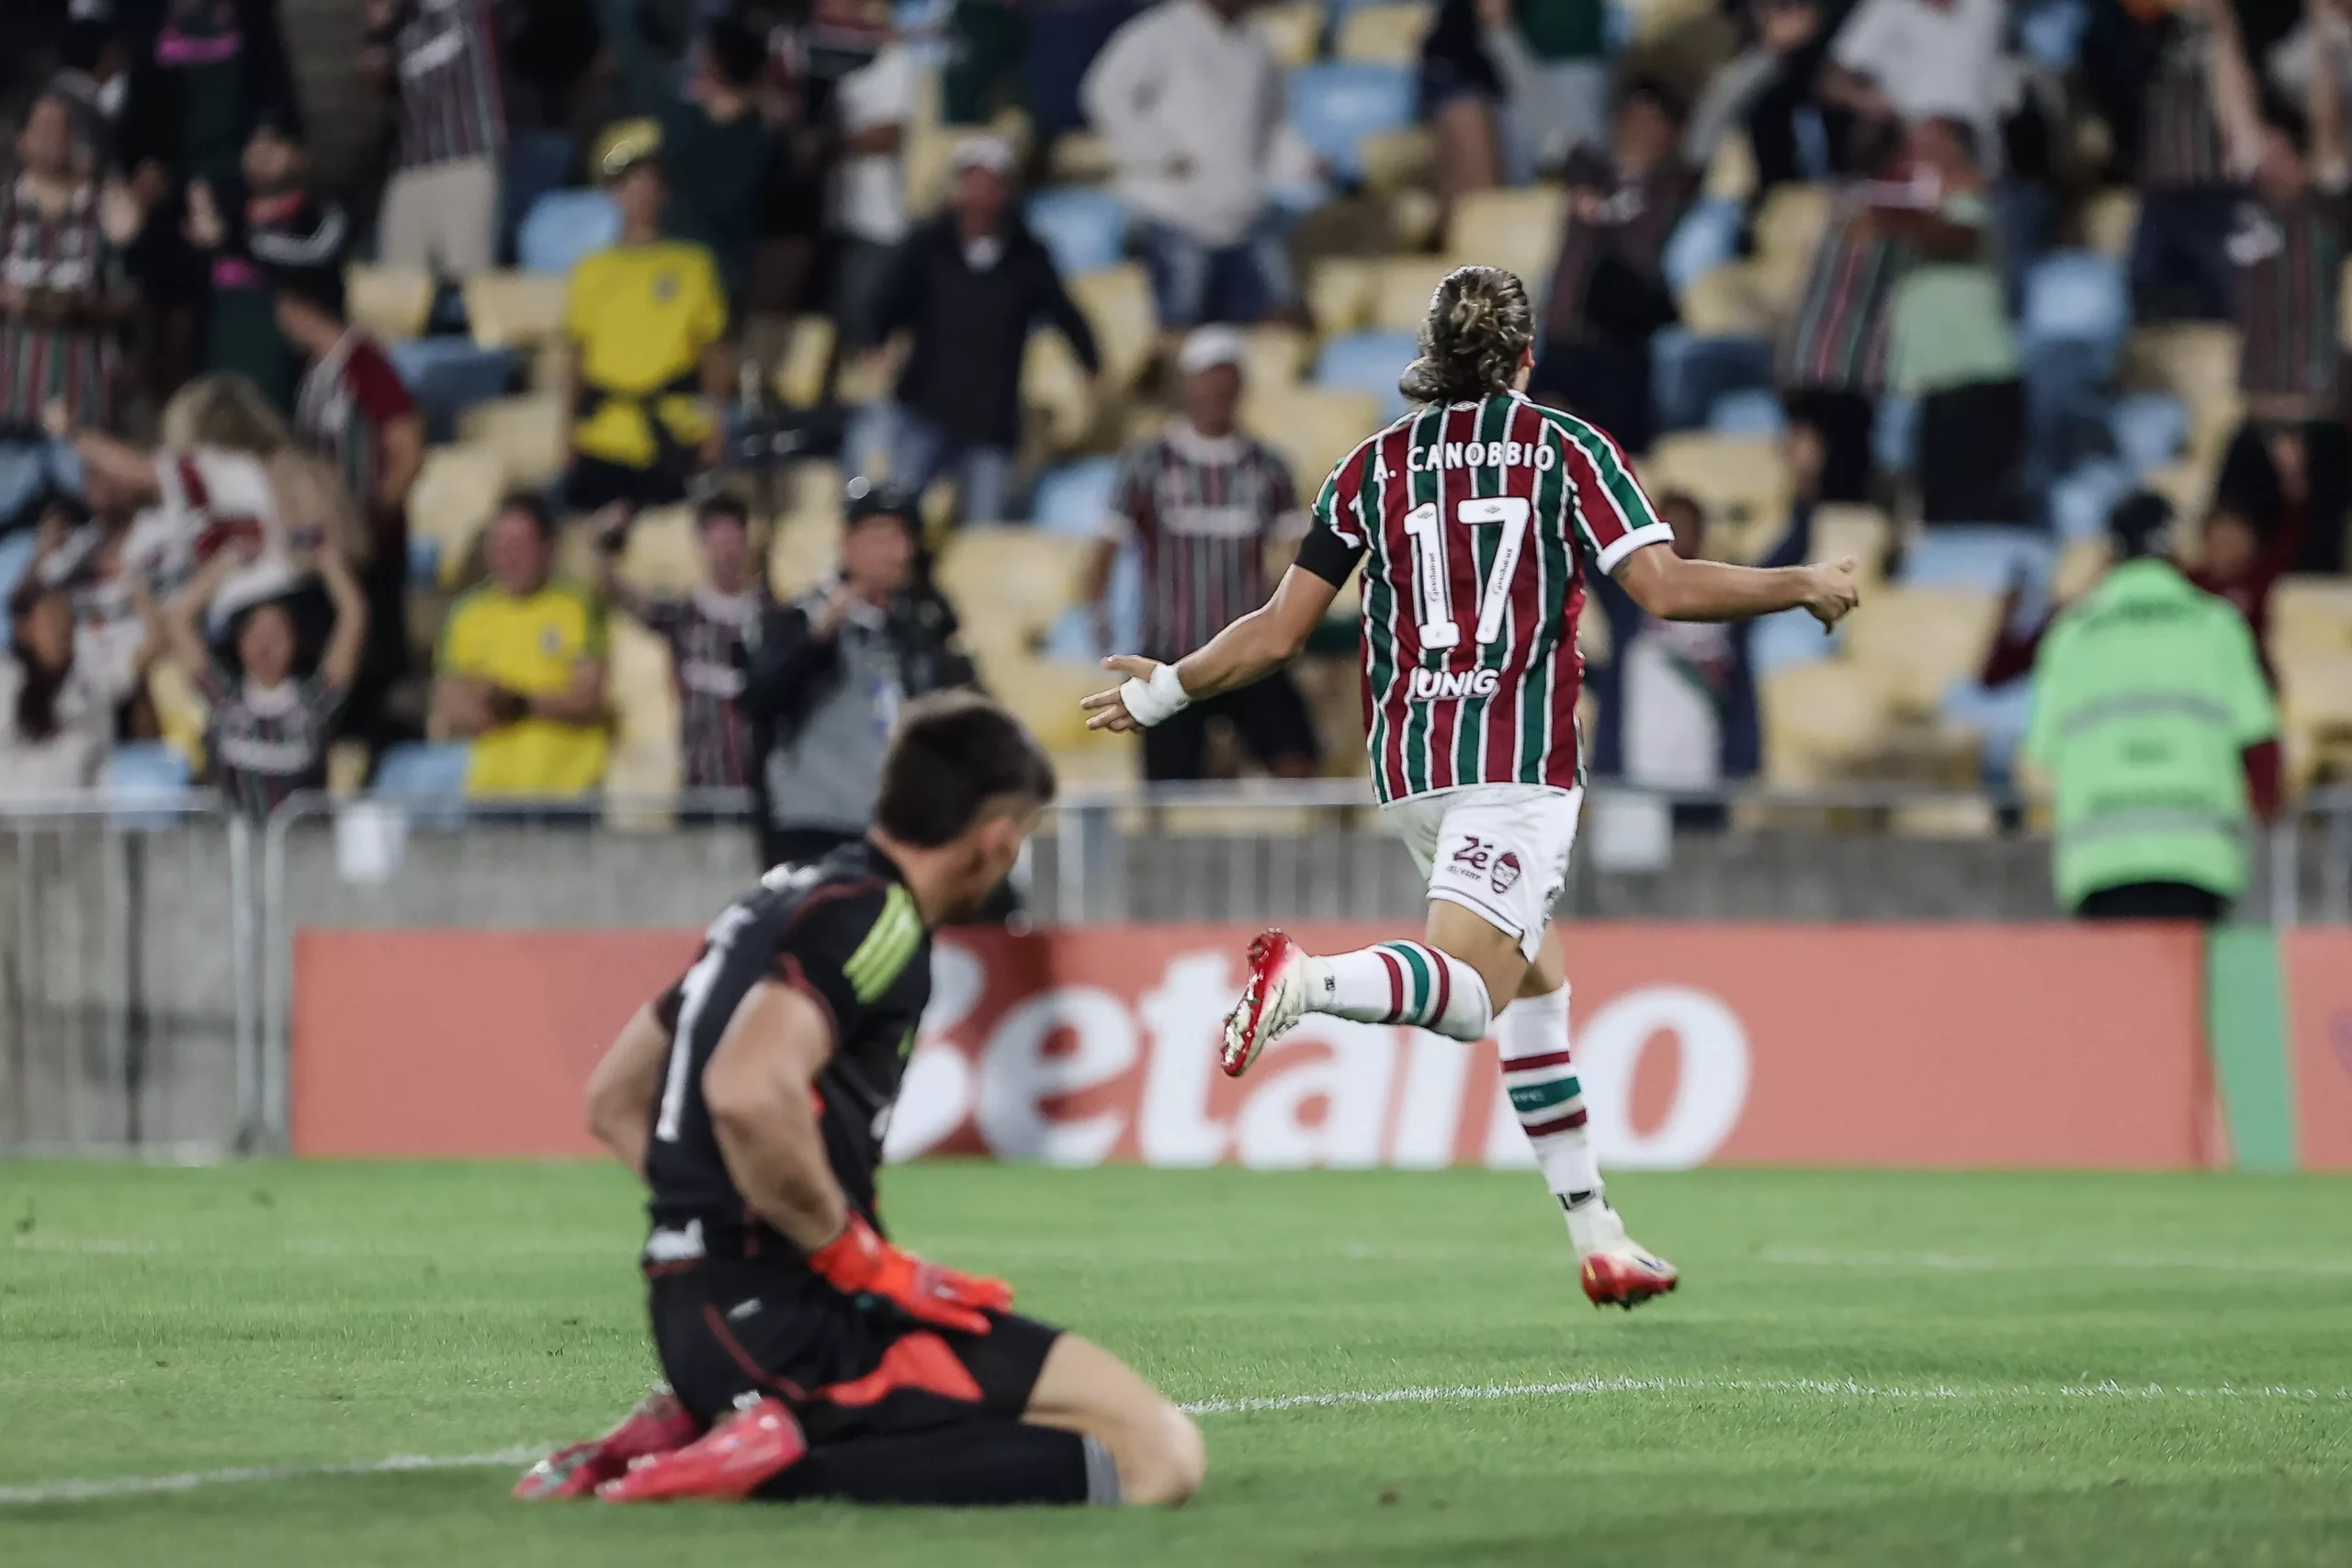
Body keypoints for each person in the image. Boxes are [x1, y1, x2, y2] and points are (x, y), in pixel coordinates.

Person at [1082, 266, 1860, 1308]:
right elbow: (1664, 587)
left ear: (1427, 360)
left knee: (1540, 987)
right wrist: (1799, 581)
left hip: (1411, 769)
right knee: (1472, 995)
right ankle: (1308, 981)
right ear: (1527, 356)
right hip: (1513, 763)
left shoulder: (1366, 468)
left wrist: (1163, 693)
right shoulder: (1566, 449)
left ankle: (1600, 1235)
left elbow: (1277, 634)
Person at [516, 693, 1204, 1507]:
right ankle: (763, 1467)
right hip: (800, 1319)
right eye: (1019, 837)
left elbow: (615, 1098)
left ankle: (705, 1431)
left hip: (697, 1311)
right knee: (1155, 1456)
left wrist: (710, 1220)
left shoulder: (773, 897)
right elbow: (745, 1090)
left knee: (1060, 1442)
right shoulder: (880, 919)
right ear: (994, 838)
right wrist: (851, 1255)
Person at [2023, 492, 2281, 922]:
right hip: (2199, 861)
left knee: (2118, 992)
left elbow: (2040, 760)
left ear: (2109, 550)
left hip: (2102, 862)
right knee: (2192, 991)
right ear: (2177, 547)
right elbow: (2261, 750)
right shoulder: (2217, 627)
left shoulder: (2072, 637)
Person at [1085, 326, 1316, 781]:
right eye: (1208, 379)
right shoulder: (1147, 465)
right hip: (1170, 654)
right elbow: (1106, 548)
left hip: (1249, 652)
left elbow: (1297, 554)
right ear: (1187, 385)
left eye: (1226, 381)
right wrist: (1102, 620)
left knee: (1297, 765)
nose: (1216, 391)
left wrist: (1291, 622)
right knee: (1168, 785)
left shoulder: (1269, 469)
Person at [1527, 65, 1782, 454]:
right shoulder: (1587, 170)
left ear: (1673, 133)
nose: (1638, 129)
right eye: (1630, 116)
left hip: (1620, 354)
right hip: (1560, 344)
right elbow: (1538, 104)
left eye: (1653, 119)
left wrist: (1767, 56)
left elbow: (1717, 110)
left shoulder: (1672, 184)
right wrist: (1498, 32)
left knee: (1613, 468)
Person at [740, 482, 975, 870]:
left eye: (904, 539)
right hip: (815, 826)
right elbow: (758, 698)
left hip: (894, 829)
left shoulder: (915, 631)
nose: (899, 553)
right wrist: (815, 642)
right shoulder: (801, 618)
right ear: (847, 544)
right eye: (882, 538)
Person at [866, 136, 1100, 525]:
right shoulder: (928, 245)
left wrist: (1088, 360)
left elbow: (1063, 311)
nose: (980, 194)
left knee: (984, 529)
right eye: (972, 181)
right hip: (925, 405)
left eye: (991, 183)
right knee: (894, 514)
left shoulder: (1027, 257)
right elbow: (888, 300)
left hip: (991, 418)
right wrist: (873, 338)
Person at [2203, 0, 2352, 574]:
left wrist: (2319, 31)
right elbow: (2234, 109)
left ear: (2299, 158)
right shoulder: (2250, 213)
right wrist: (2221, 25)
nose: (2263, 154)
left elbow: (2326, 119)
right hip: (2256, 418)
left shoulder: (2325, 213)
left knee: (2313, 569)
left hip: (2319, 422)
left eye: (2276, 148)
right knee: (2223, 554)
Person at [1080, 0, 1308, 330]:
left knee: (1271, 324)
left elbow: (1272, 122)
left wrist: (1300, 163)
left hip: (1243, 214)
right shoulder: (1158, 32)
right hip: (1174, 213)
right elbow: (1104, 91)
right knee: (1181, 328)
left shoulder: (1258, 43)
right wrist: (1158, 151)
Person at [278, 261, 424, 745]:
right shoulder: (317, 371)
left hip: (370, 539)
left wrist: (375, 513)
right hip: (331, 541)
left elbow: (407, 445)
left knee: (374, 651)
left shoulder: (363, 363)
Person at [563, 120, 733, 514]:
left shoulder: (694, 265)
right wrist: (566, 429)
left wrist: (717, 424)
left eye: (649, 182)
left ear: (664, 191)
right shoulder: (590, 270)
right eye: (629, 184)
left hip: (675, 431)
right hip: (603, 434)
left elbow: (714, 353)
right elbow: (577, 355)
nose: (640, 194)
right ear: (614, 193)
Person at [1874, 117, 2025, 525]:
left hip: (1977, 379)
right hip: (1929, 385)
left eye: (1931, 145)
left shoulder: (1976, 204)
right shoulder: (1910, 210)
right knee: (1935, 506)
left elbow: (1955, 238)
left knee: (1977, 508)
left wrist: (1892, 214)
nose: (1917, 153)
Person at [149, 536, 366, 818]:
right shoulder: (222, 699)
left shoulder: (314, 703)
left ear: (295, 644)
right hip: (235, 851)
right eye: (255, 634)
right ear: (240, 643)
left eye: (277, 635)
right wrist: (227, 561)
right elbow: (178, 620)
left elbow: (354, 616)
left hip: (303, 850)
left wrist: (327, 561)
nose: (265, 645)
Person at [591, 0, 789, 307]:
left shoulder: (682, 123)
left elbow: (632, 52)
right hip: (731, 290)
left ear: (713, 65)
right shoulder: (772, 145)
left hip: (674, 291)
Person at [1, 93, 137, 531]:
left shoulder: (103, 211)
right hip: (9, 409)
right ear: (22, 140)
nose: (53, 139)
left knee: (83, 533)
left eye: (63, 128)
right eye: (42, 127)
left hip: (84, 411)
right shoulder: (5, 208)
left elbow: (130, 298)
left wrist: (76, 306)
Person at [430, 493, 610, 799]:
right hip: (490, 793)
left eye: (519, 547)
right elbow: (449, 708)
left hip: (567, 794)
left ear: (546, 549)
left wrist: (517, 703)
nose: (507, 558)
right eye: (499, 547)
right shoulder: (466, 615)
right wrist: (494, 701)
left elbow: (587, 697)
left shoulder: (576, 605)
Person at [593, 492, 765, 795]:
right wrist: (601, 546)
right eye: (717, 540)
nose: (726, 551)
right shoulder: (683, 616)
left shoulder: (771, 617)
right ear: (700, 544)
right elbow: (618, 593)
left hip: (761, 783)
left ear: (746, 542)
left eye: (732, 540)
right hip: (700, 779)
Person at [363, 0, 506, 281]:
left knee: (465, 289)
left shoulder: (473, 8)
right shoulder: (403, 19)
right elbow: (373, 76)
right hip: (409, 167)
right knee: (395, 293)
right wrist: (377, 31)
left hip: (467, 160)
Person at [0, 522, 140, 797]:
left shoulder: (95, 678)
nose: (62, 628)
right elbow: (20, 603)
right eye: (51, 620)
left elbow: (154, 642)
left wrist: (132, 583)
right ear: (26, 630)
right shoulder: (5, 678)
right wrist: (39, 557)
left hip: (78, 829)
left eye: (68, 620)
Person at [1818, 0, 2005, 172]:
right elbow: (1831, 81)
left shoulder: (1987, 7)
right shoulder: (1887, 9)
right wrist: (1871, 104)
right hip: (1915, 150)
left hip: (1979, 158)